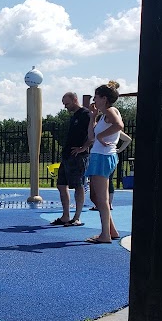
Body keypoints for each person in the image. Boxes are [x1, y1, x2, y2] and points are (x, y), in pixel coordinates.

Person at [81, 81, 126, 244]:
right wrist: (92, 117)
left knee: (101, 198)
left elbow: (119, 125)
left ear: (104, 98)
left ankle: (105, 235)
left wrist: (101, 136)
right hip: (99, 156)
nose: (94, 99)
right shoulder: (102, 115)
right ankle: (111, 231)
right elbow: (91, 136)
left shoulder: (111, 110)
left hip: (103, 157)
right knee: (95, 196)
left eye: (96, 97)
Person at [50, 92, 92, 227]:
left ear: (75, 100)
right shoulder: (74, 116)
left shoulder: (86, 114)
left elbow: (93, 133)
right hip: (68, 155)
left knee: (78, 185)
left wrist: (83, 147)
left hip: (78, 156)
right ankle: (65, 215)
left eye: (67, 103)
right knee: (61, 184)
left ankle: (77, 217)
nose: (65, 107)